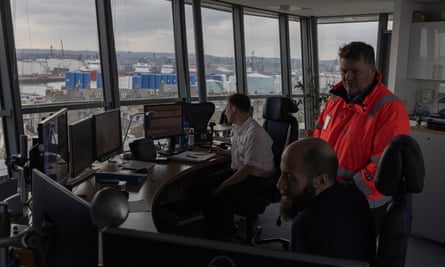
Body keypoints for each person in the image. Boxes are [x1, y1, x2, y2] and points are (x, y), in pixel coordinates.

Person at [312, 41, 410, 234]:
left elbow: (385, 165)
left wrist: (347, 191)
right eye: (343, 71)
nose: (348, 78)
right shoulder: (335, 98)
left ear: (372, 70)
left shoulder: (390, 108)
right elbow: (318, 134)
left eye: (355, 72)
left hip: (362, 200)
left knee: (353, 256)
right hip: (328, 192)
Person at [277, 137, 375, 262]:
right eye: (281, 173)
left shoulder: (307, 225)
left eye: (290, 177)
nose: (279, 184)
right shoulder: (353, 194)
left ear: (321, 180)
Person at [204, 93, 275, 240]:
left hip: (257, 181)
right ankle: (219, 229)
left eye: (227, 108)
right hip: (244, 172)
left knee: (220, 195)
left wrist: (222, 186)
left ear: (234, 109)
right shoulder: (240, 128)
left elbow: (247, 169)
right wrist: (224, 152)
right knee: (202, 184)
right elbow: (242, 153)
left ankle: (223, 238)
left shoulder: (254, 133)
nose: (225, 112)